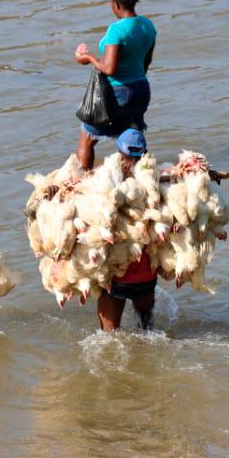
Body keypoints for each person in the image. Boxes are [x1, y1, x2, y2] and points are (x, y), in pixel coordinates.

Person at [74, 0, 156, 170]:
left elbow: (109, 68)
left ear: (117, 5)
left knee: (87, 138)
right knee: (133, 136)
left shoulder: (116, 30)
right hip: (141, 89)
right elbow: (147, 61)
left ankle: (83, 181)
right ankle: (139, 174)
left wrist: (88, 58)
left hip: (117, 92)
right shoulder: (148, 25)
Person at [97, 129, 156, 332]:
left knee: (109, 338)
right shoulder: (156, 177)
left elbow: (77, 187)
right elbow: (182, 178)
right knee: (148, 331)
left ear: (119, 153)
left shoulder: (104, 177)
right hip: (146, 276)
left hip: (116, 278)